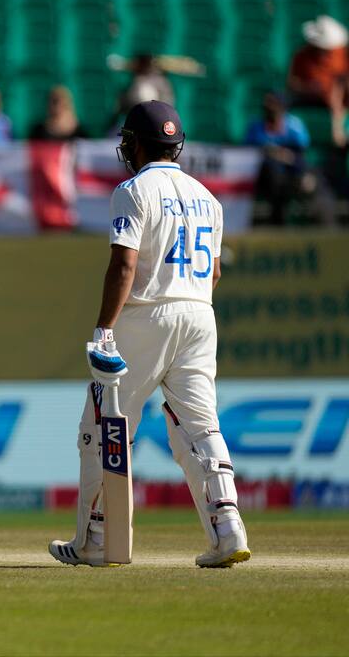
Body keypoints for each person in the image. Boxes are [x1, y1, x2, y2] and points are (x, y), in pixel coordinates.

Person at [48, 100, 250, 569]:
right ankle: (227, 528)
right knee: (200, 427)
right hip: (201, 314)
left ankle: (97, 539)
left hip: (146, 316)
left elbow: (125, 264)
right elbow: (214, 272)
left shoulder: (133, 190)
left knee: (102, 428)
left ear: (136, 143)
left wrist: (104, 328)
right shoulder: (210, 199)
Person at [244, 92, 313, 225]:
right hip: (264, 175)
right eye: (268, 106)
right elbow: (247, 152)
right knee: (273, 171)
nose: (270, 110)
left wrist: (283, 155)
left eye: (274, 106)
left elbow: (300, 153)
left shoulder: (294, 125)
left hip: (290, 170)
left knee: (309, 178)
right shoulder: (256, 127)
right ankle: (277, 220)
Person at [287, 15, 349, 146]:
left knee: (337, 92)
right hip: (309, 97)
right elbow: (292, 84)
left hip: (337, 96)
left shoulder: (340, 53)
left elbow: (343, 79)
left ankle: (338, 132)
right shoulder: (302, 56)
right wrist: (307, 88)